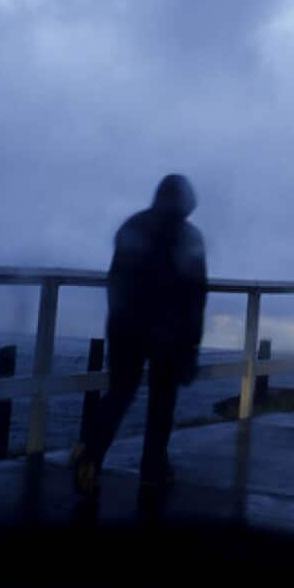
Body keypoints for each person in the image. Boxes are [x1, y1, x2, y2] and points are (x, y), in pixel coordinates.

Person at [71, 174, 207, 499]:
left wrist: (118, 323)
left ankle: (90, 453)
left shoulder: (132, 226)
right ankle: (152, 470)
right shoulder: (189, 236)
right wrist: (191, 345)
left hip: (126, 328)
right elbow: (195, 296)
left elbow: (115, 280)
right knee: (162, 403)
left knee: (119, 394)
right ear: (188, 203)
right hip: (169, 335)